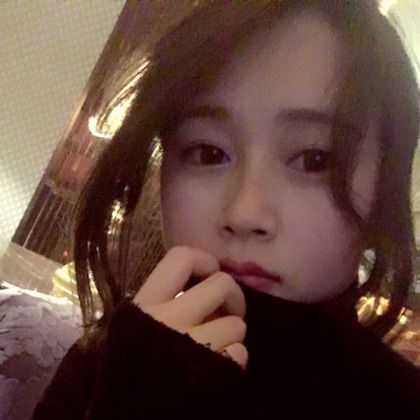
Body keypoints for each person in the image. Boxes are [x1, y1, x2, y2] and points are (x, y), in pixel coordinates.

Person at [33, 1, 420, 419]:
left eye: (315, 160)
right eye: (207, 153)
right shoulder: (108, 359)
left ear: (386, 185)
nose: (244, 215)